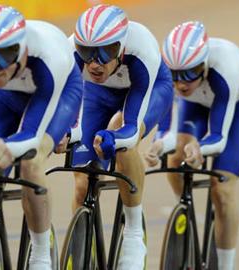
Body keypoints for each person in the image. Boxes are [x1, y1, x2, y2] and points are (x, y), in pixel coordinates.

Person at [0, 5, 82, 269]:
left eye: (1, 58)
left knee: (30, 162)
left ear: (21, 50)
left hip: (56, 93)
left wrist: (9, 146)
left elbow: (31, 135)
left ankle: (42, 255)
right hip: (4, 95)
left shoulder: (50, 57)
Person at [63, 4, 173, 270]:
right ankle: (83, 248)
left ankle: (134, 232)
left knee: (123, 140)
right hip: (98, 94)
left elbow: (131, 127)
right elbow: (71, 119)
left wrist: (116, 136)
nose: (94, 63)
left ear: (121, 47)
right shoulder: (69, 53)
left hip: (147, 89)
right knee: (82, 177)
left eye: (105, 53)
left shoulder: (142, 46)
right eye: (87, 53)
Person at [144, 21, 239, 270]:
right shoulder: (172, 78)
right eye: (174, 75)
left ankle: (226, 265)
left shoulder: (226, 70)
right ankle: (183, 208)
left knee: (222, 190)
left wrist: (200, 149)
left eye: (189, 73)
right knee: (175, 158)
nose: (181, 83)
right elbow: (167, 130)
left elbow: (218, 138)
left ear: (204, 65)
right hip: (195, 103)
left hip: (237, 106)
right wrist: (158, 146)